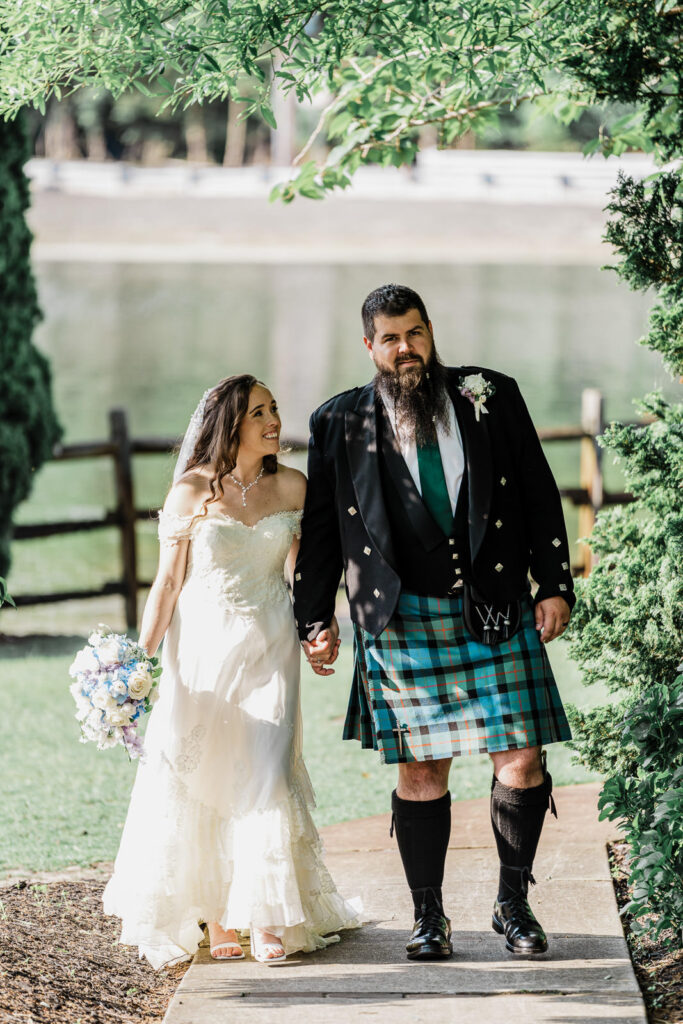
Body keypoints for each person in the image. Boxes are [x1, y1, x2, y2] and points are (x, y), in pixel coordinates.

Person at [292, 284, 574, 961]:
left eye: (414, 333)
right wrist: (313, 617)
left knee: (522, 759)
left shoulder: (488, 394)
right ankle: (428, 918)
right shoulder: (340, 422)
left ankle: (512, 906)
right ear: (369, 346)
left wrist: (555, 583)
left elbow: (537, 492)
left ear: (429, 331)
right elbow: (324, 529)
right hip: (399, 616)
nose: (405, 349)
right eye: (389, 338)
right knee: (420, 773)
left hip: (496, 600)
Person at [103, 374, 360, 969]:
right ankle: (219, 917)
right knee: (209, 773)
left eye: (275, 410)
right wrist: (136, 664)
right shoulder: (191, 492)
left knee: (267, 771)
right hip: (201, 647)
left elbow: (309, 578)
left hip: (271, 645)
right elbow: (167, 583)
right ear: (230, 425)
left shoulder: (295, 487)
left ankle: (266, 916)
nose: (274, 422)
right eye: (260, 413)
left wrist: (321, 629)